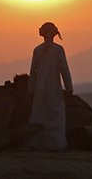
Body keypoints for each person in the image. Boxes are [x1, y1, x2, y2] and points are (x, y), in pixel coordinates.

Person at [27, 22, 73, 150]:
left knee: (39, 113)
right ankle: (56, 144)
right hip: (54, 88)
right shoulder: (58, 49)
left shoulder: (37, 49)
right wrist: (69, 88)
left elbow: (32, 72)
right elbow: (64, 70)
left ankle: (37, 142)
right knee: (55, 114)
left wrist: (31, 89)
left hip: (39, 89)